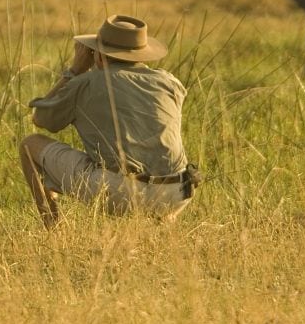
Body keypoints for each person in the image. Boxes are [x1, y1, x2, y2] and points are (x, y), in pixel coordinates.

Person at [20, 14, 195, 228]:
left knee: (29, 145)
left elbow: (40, 118)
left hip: (118, 192)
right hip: (178, 191)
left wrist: (74, 71)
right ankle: (162, 228)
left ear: (98, 55)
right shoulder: (169, 82)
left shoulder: (86, 83)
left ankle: (54, 229)